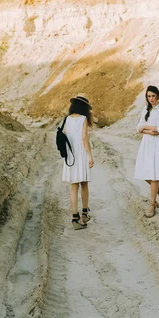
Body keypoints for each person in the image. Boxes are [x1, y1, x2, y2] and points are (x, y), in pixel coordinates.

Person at [135, 85, 159, 218]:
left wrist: (145, 128)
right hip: (146, 143)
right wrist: (146, 129)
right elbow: (138, 127)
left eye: (153, 96)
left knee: (154, 173)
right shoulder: (145, 109)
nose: (151, 98)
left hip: (158, 144)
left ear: (158, 96)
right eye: (149, 96)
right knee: (145, 173)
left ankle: (152, 204)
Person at [62, 94, 94, 230]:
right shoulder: (83, 119)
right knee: (84, 184)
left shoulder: (67, 119)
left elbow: (64, 134)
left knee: (73, 187)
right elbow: (84, 138)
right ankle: (85, 213)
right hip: (81, 154)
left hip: (71, 155)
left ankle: (75, 218)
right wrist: (90, 156)